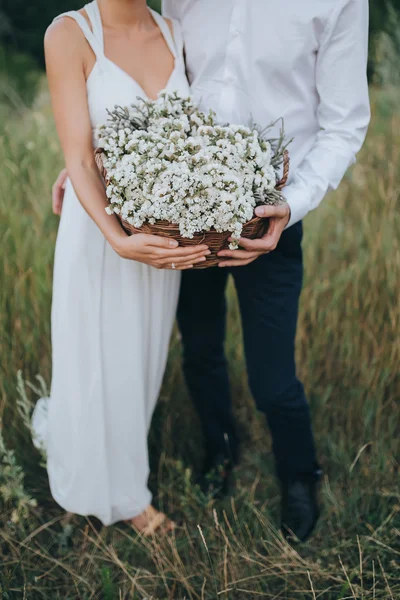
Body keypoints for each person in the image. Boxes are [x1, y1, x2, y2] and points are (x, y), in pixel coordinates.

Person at [52, 0, 371, 542]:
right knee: (199, 349)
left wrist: (287, 208)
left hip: (270, 212)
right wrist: (91, 152)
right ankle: (218, 450)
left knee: (272, 376)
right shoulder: (173, 7)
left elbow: (345, 126)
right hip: (178, 217)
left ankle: (299, 474)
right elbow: (149, 91)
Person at [32, 0, 210, 535]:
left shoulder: (176, 32)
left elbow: (192, 137)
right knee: (94, 358)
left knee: (141, 360)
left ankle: (126, 474)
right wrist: (118, 238)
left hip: (161, 239)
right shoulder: (68, 34)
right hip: (100, 236)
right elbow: (81, 157)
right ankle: (113, 491)